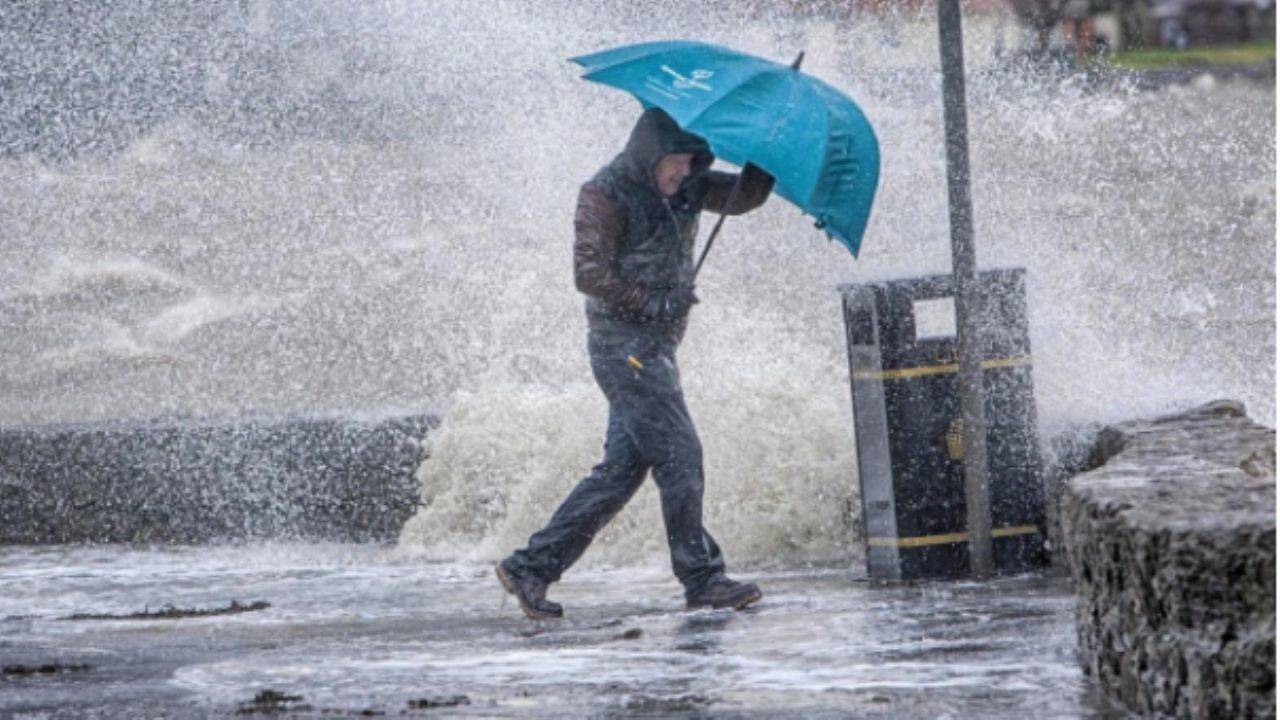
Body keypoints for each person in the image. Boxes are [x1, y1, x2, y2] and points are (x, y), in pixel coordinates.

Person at [495, 107, 775, 619]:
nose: (682, 173)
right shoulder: (605, 192)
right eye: (675, 162)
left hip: (657, 348)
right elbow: (588, 273)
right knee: (681, 454)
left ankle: (531, 567)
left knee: (621, 471)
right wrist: (650, 302)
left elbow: (743, 198)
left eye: (693, 162)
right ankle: (702, 578)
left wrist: (766, 156)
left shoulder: (689, 185)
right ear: (650, 154)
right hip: (621, 346)